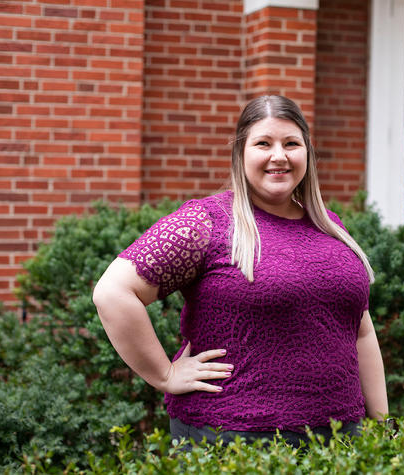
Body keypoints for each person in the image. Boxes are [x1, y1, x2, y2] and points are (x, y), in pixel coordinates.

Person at [92, 95, 388, 447]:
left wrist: (381, 427)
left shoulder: (330, 227)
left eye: (291, 143)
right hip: (232, 439)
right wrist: (165, 374)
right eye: (263, 143)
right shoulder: (206, 222)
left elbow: (360, 331)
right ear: (241, 153)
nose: (279, 155)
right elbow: (112, 292)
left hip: (338, 438)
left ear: (306, 152)